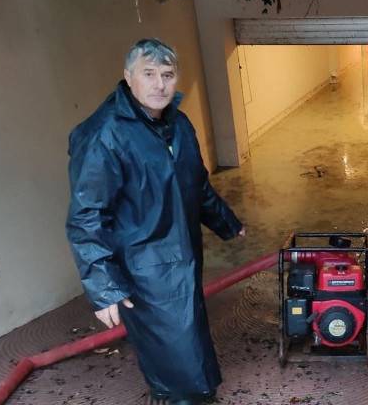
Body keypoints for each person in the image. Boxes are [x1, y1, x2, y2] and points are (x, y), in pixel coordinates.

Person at [66, 39, 247, 405]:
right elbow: (86, 215)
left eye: (167, 75)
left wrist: (226, 222)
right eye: (148, 74)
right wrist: (103, 287)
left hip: (182, 254)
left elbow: (195, 183)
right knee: (174, 354)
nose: (159, 85)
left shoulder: (177, 124)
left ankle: (193, 393)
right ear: (128, 77)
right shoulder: (106, 134)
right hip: (142, 268)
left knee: (189, 340)